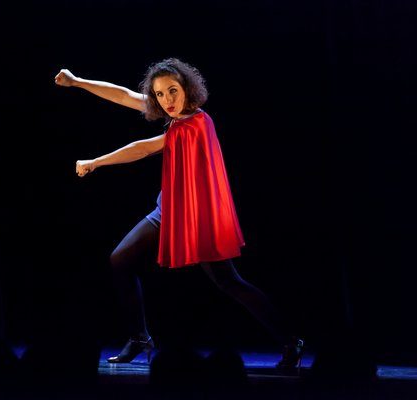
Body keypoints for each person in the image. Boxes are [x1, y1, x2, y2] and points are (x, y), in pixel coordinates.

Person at [54, 58, 303, 369]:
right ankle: (140, 337)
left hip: (198, 215)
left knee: (228, 282)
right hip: (169, 208)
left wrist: (95, 162)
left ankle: (290, 340)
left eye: (172, 91)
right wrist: (78, 82)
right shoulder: (176, 116)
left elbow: (143, 148)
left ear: (188, 89)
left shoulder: (195, 124)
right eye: (159, 94)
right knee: (120, 259)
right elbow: (125, 96)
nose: (167, 101)